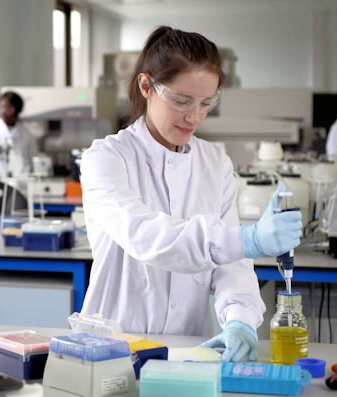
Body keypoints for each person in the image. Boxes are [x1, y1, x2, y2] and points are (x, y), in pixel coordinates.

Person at [79, 26, 302, 362]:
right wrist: (248, 239)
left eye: (206, 103)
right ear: (146, 86)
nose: (194, 116)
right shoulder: (107, 158)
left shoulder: (214, 163)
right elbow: (147, 236)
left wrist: (239, 320)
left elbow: (233, 266)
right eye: (181, 100)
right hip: (111, 349)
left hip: (186, 350)